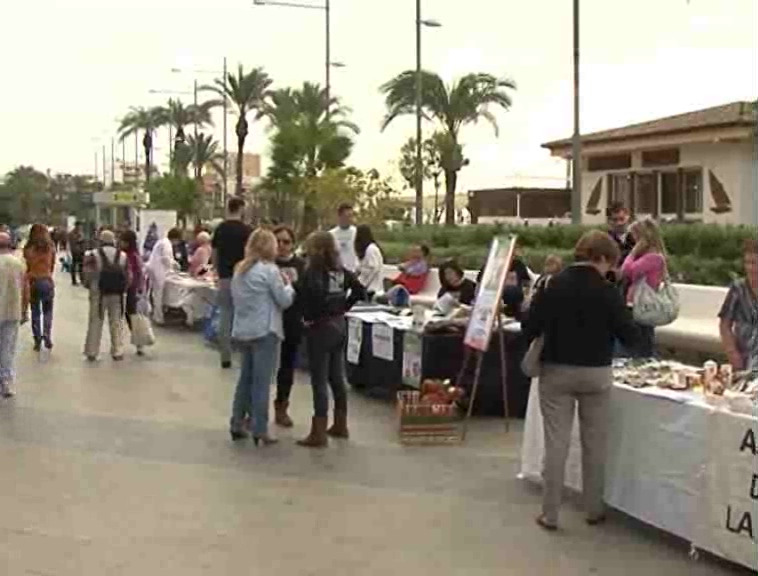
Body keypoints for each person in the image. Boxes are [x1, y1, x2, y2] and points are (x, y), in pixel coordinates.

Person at [524, 230, 638, 531]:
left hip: (556, 372)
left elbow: (529, 326)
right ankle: (593, 509)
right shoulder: (609, 292)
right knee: (595, 444)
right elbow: (630, 336)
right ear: (599, 258)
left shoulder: (551, 286)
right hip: (597, 374)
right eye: (610, 263)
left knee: (556, 444)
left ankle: (550, 513)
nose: (610, 269)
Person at [296, 231, 366, 448]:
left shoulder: (313, 272)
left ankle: (318, 430)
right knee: (337, 377)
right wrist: (343, 307)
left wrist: (308, 317)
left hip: (320, 328)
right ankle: (340, 423)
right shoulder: (340, 270)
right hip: (339, 325)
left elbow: (311, 296)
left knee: (319, 379)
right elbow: (360, 290)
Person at [229, 229, 295, 444]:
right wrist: (289, 286)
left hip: (243, 330)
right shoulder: (270, 271)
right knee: (262, 382)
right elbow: (283, 301)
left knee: (244, 379)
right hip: (265, 331)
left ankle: (237, 422)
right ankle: (260, 428)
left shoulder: (240, 270)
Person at [212, 197, 252, 369]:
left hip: (225, 276)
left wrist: (216, 270)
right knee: (244, 314)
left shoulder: (220, 229)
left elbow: (214, 252)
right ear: (241, 208)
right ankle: (244, 354)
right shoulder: (247, 231)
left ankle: (225, 356)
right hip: (243, 276)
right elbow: (251, 254)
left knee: (225, 315)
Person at [273, 225, 306, 428]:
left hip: (292, 321)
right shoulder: (266, 263)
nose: (282, 245)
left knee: (287, 367)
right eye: (278, 241)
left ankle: (282, 406)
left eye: (286, 241)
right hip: (269, 320)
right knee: (263, 368)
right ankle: (254, 408)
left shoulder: (301, 265)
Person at [620, 218, 668, 358]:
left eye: (634, 236)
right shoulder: (648, 257)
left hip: (643, 306)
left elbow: (627, 271)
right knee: (639, 343)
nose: (632, 240)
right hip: (636, 305)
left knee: (642, 347)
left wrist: (633, 252)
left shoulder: (654, 258)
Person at [83, 230, 129, 362]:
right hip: (117, 294)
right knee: (116, 321)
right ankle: (117, 350)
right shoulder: (123, 256)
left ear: (100, 240)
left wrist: (89, 286)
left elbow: (87, 274)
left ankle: (92, 351)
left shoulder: (93, 254)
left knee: (95, 321)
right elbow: (127, 276)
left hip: (98, 292)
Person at [719, 239, 758, 373]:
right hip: (743, 356)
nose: (751, 268)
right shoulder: (738, 289)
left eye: (755, 263)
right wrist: (732, 353)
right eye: (748, 263)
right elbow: (725, 324)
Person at [0, 232, 28, 398]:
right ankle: (7, 382)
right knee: (8, 348)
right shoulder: (18, 263)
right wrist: (25, 309)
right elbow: (25, 289)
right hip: (12, 311)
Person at [23, 223, 56, 351]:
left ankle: (37, 339)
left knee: (35, 312)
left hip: (33, 281)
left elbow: (27, 265)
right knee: (48, 311)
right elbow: (52, 265)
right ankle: (47, 334)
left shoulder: (28, 249)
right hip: (47, 281)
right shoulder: (50, 248)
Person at [146, 228, 181, 325]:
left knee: (155, 294)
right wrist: (174, 265)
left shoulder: (162, 242)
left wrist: (172, 264)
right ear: (176, 238)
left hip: (154, 268)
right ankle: (158, 317)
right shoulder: (167, 244)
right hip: (158, 270)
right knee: (158, 295)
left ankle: (156, 315)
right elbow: (166, 258)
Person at [120, 230, 147, 356]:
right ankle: (122, 343)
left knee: (131, 316)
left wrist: (140, 287)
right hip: (124, 288)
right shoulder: (123, 254)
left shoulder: (132, 255)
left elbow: (140, 273)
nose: (120, 242)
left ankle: (139, 343)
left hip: (130, 289)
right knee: (125, 316)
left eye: (122, 240)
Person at [355, 224, 384, 296]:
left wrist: (363, 284)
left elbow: (373, 268)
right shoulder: (370, 248)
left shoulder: (370, 249)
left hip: (372, 289)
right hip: (371, 287)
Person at [329, 203, 357, 272]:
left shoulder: (357, 232)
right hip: (337, 272)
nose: (350, 219)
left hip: (353, 272)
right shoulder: (331, 234)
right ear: (339, 216)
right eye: (347, 216)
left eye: (351, 216)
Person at [68, 221, 87, 286]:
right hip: (75, 251)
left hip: (81, 251)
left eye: (81, 226)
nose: (80, 227)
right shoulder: (72, 233)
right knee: (74, 265)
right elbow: (73, 242)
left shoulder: (81, 232)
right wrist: (80, 239)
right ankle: (74, 280)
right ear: (76, 226)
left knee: (81, 266)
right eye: (79, 226)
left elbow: (83, 240)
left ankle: (82, 279)